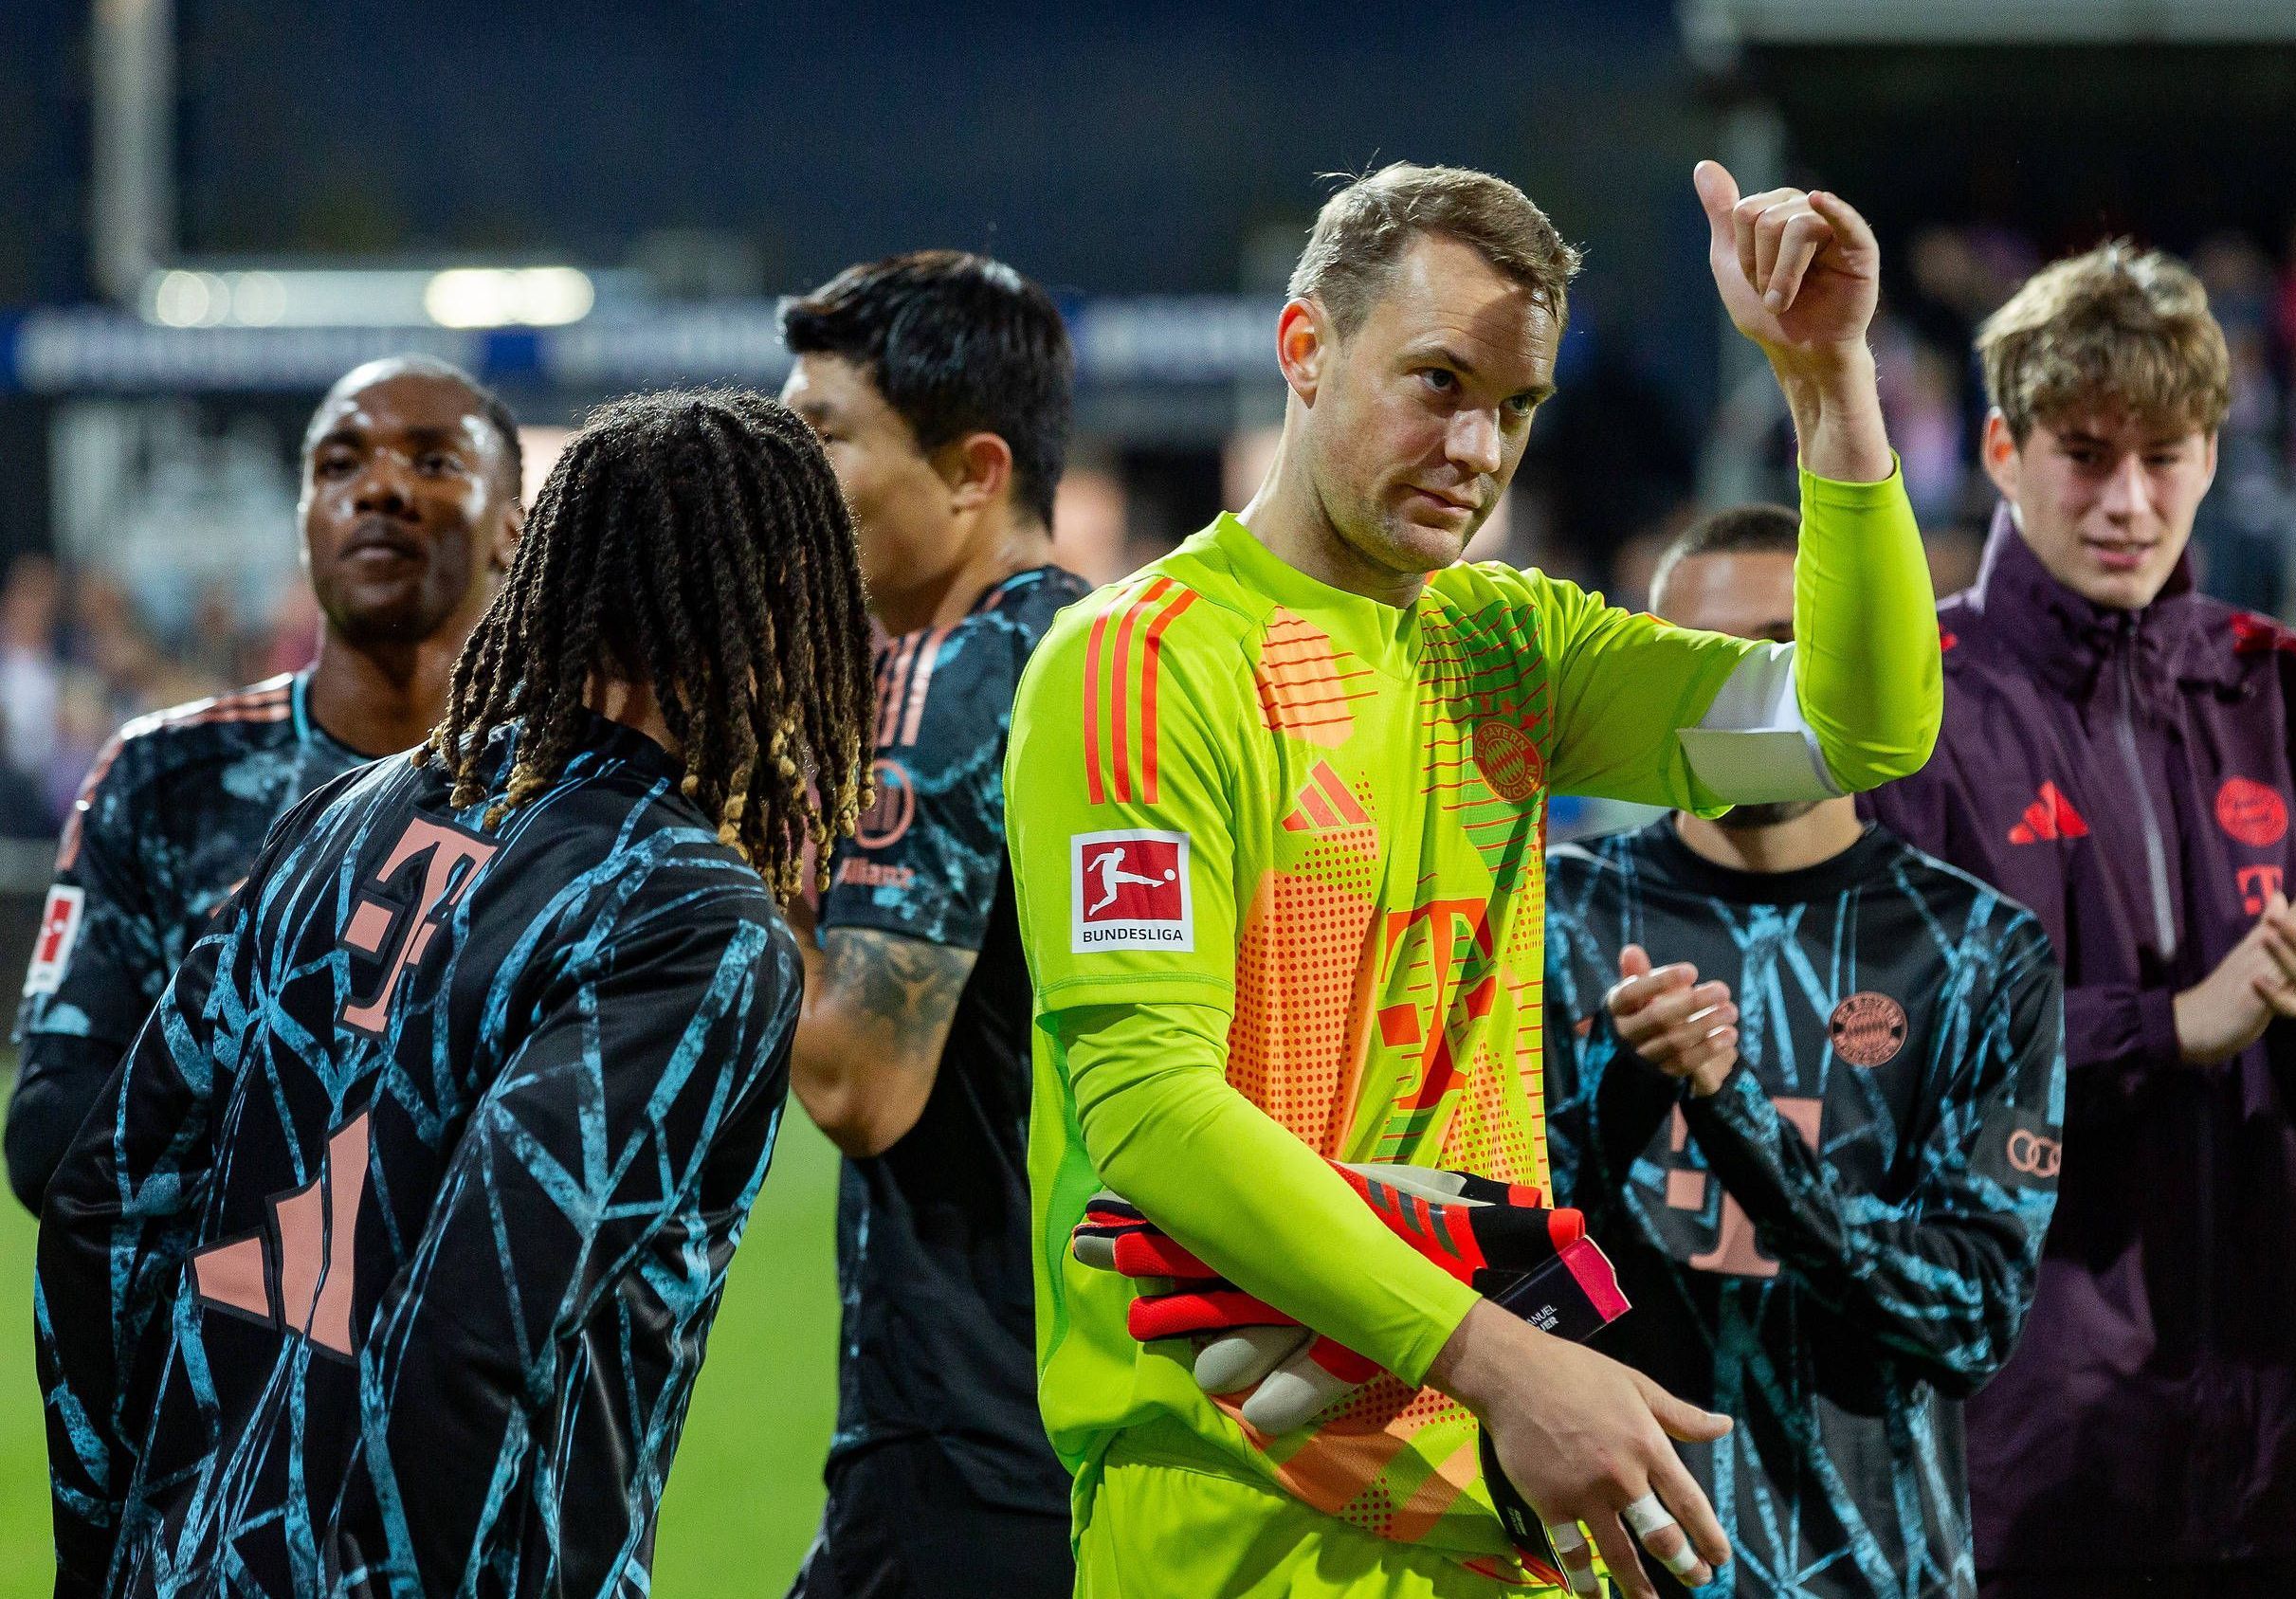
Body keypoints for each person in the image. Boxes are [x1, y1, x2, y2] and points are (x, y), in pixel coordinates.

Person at [1005, 159, 1941, 1599]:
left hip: (1500, 1494)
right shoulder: (1143, 664)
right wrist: (1509, 1360)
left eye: (1514, 406)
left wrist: (1827, 384)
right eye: (1436, 380)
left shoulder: (1511, 647)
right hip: (1239, 1500)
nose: (1476, 444)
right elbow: (1151, 1108)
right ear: (1305, 350)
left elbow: (1852, 727)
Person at [32, 390, 877, 1599]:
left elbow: (104, 1204)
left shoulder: (341, 813)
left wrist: (107, 1556)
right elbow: (469, 1336)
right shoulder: (690, 913)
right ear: (785, 601)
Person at [1860, 245, 2296, 1598]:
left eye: (2167, 456)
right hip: (2027, 1477)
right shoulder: (1905, 710)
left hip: (2282, 1465)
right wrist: (2175, 1026)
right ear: (2002, 448)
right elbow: (1871, 1062)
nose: (2129, 500)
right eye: (2085, 452)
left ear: (2214, 455)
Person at [1543, 504, 2064, 1598]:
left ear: (1851, 670)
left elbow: (1970, 1317)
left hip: (1878, 1573)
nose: (1749, 688)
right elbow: (1501, 1273)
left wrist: (1729, 1109)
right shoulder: (1553, 915)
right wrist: (1630, 1086)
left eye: (1785, 648)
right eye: (1707, 658)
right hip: (1601, 1571)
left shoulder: (1978, 952)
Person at [8, 355, 523, 1214]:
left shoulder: (575, 796)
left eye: (433, 461)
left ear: (514, 527)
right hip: (218, 1341)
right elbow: (49, 1137)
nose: (380, 488)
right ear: (305, 520)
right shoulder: (164, 778)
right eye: (340, 464)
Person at [775, 249, 1089, 1596]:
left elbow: (855, 1077)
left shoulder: (960, 674)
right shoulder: (1109, 655)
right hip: (1095, 1405)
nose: (790, 482)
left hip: (965, 1419)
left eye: (823, 437)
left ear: (974, 469)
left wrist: (740, 851)